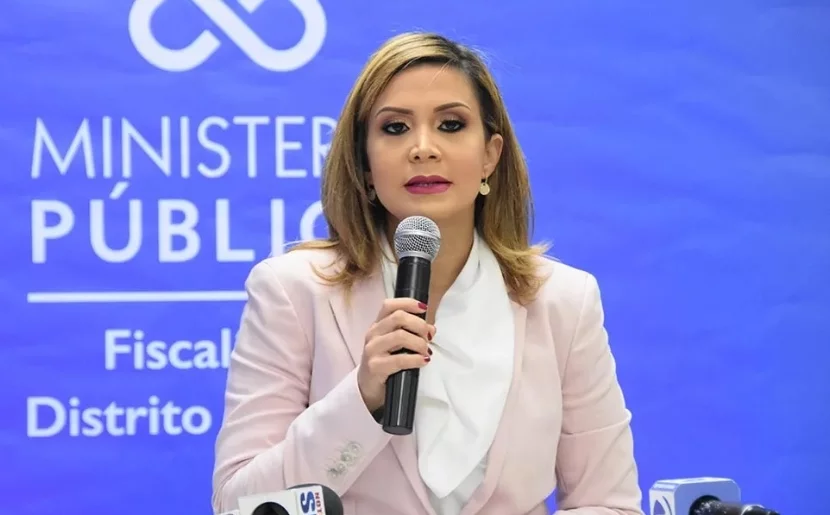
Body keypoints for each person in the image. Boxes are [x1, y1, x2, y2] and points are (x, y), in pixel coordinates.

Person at [211, 31, 643, 515]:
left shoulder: (563, 300)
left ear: (490, 155)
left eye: (451, 125)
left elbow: (609, 503)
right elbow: (239, 504)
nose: (423, 148)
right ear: (365, 164)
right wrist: (361, 397)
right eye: (395, 128)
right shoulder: (293, 291)